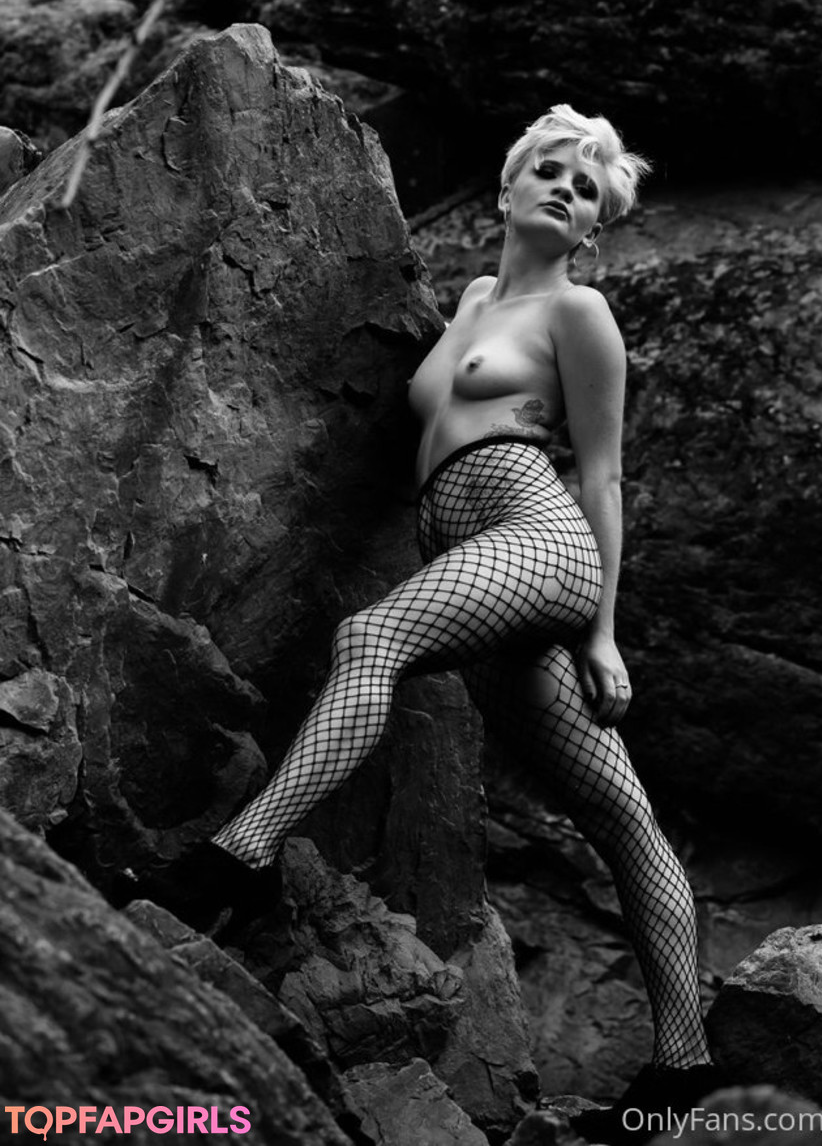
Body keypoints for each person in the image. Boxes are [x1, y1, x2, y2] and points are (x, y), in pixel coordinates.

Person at [124, 105, 720, 1142]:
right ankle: (685, 1068)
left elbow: (604, 476)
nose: (565, 190)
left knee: (372, 639)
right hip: (472, 557)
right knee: (621, 814)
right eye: (550, 170)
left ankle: (237, 857)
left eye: (586, 189)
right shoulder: (477, 298)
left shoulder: (580, 314)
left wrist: (602, 633)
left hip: (538, 536)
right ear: (508, 186)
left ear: (592, 228)